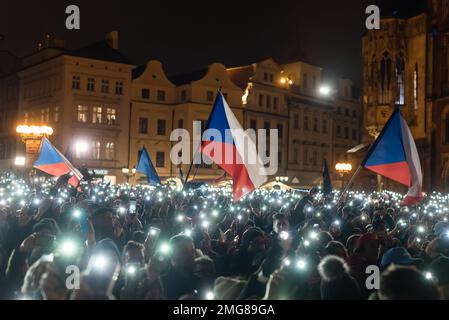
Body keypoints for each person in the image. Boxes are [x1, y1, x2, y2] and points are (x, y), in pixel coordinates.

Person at [160, 234, 199, 300]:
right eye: (184, 252)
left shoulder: (200, 277)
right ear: (172, 254)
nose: (191, 256)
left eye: (192, 251)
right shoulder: (162, 283)